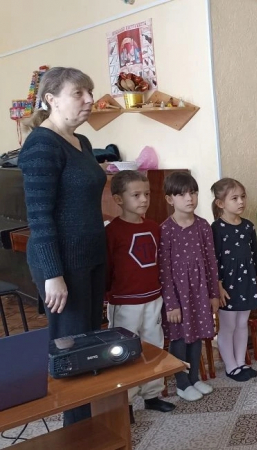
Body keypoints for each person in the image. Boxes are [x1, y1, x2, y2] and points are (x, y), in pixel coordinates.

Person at [18, 67, 106, 425]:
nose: (89, 99)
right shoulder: (42, 144)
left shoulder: (81, 142)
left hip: (91, 257)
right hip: (62, 264)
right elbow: (39, 216)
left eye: (90, 92)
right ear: (51, 99)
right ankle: (78, 430)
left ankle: (98, 420)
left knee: (91, 343)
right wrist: (53, 274)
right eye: (78, 93)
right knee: (71, 350)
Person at [105, 171, 175, 421]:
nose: (144, 199)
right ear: (118, 199)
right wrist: (108, 295)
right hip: (125, 303)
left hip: (153, 298)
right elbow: (107, 267)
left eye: (146, 194)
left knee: (153, 345)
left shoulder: (153, 227)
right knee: (124, 352)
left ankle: (152, 394)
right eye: (136, 195)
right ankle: (125, 402)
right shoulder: (113, 232)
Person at [160, 172, 219, 401]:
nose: (189, 198)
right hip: (178, 295)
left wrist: (213, 294)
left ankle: (194, 378)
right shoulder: (165, 229)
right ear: (170, 199)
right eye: (182, 194)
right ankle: (182, 384)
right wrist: (171, 303)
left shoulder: (203, 226)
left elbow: (211, 262)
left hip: (200, 292)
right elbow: (164, 270)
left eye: (193, 193)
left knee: (197, 335)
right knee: (179, 338)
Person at [211, 178, 257, 380]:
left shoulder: (248, 226)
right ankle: (231, 366)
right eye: (234, 198)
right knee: (228, 326)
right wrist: (218, 285)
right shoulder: (216, 228)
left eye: (243, 197)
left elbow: (255, 255)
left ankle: (241, 362)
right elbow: (213, 259)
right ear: (220, 203)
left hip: (247, 280)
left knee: (242, 323)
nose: (241, 201)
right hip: (227, 284)